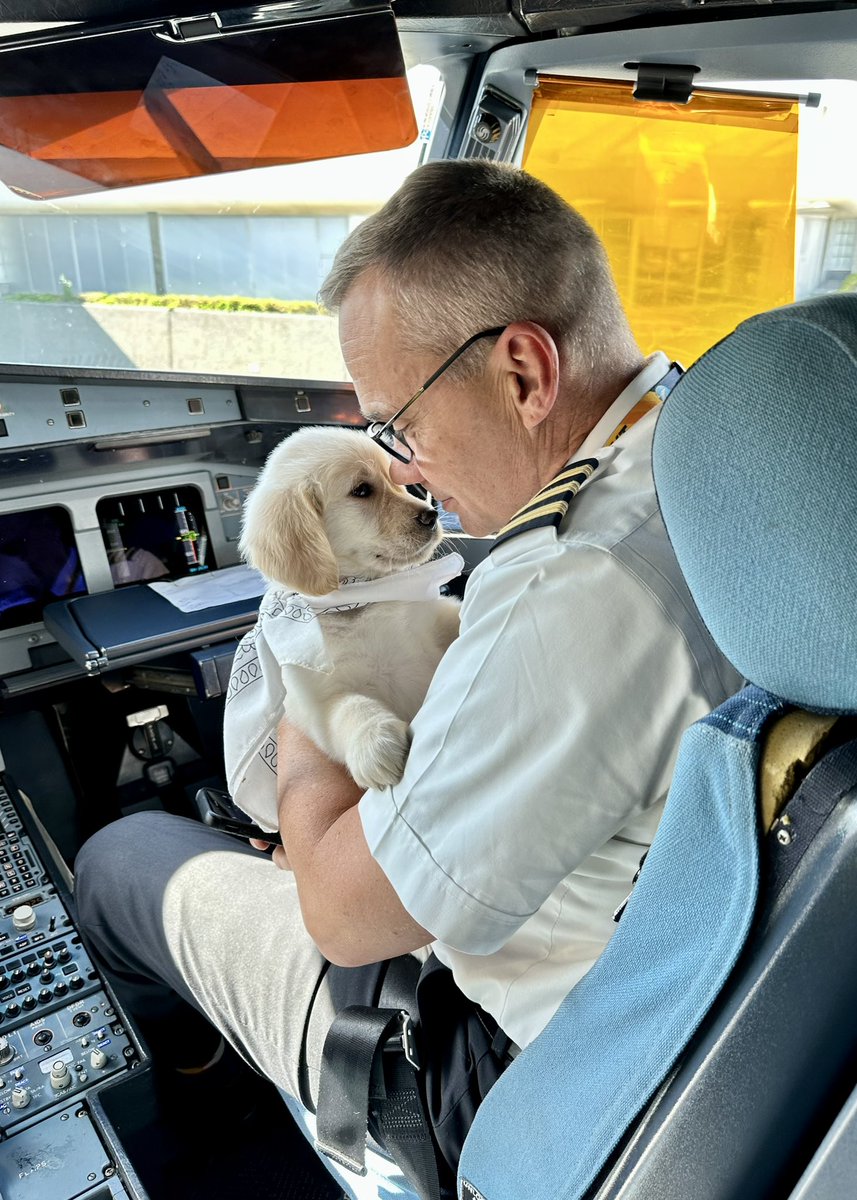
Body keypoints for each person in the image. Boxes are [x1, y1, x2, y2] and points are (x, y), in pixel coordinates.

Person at [73, 160, 742, 1188]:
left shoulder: (572, 593)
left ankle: (197, 1108)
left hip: (499, 1062)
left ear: (522, 372)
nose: (411, 471)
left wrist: (309, 682)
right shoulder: (710, 459)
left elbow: (340, 921)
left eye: (402, 424)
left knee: (125, 857)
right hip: (670, 991)